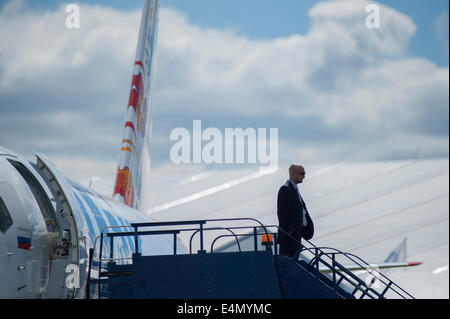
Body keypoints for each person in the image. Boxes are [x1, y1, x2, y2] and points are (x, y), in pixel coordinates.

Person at [277, 164, 314, 258]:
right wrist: (290, 231)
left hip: (295, 236)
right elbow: (282, 214)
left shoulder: (294, 190)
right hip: (289, 239)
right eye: (302, 173)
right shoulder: (285, 189)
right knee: (289, 262)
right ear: (293, 174)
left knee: (294, 260)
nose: (304, 176)